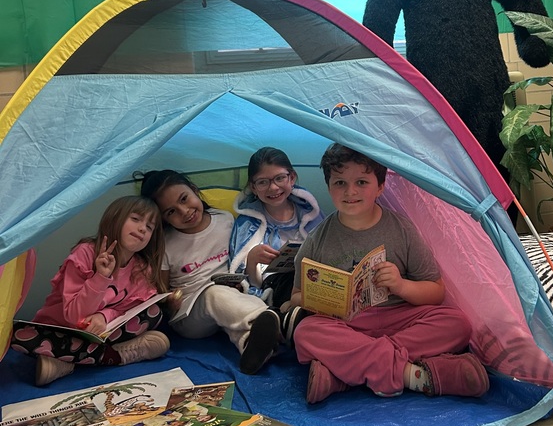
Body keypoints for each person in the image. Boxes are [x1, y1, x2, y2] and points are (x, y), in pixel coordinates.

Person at [288, 144, 490, 403]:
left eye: (361, 181)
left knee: (456, 323)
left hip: (400, 319)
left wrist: (401, 285)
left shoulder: (402, 229)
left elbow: (436, 292)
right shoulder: (317, 238)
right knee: (306, 332)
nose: (350, 191)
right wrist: (315, 298)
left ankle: (343, 376)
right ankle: (413, 375)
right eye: (340, 183)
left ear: (380, 187)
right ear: (329, 188)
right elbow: (295, 295)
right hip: (348, 325)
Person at [12, 196, 170, 387]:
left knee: (154, 313)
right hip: (64, 331)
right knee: (19, 335)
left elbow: (129, 309)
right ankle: (116, 356)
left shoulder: (142, 268)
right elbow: (74, 315)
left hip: (103, 333)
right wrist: (101, 277)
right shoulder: (85, 252)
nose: (143, 228)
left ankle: (66, 362)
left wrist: (104, 316)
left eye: (150, 227)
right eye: (136, 219)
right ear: (115, 218)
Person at [139, 169, 281, 374]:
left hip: (233, 296)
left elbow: (238, 259)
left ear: (195, 191)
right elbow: (160, 290)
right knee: (214, 294)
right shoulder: (166, 243)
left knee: (231, 301)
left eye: (184, 199)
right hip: (190, 315)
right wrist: (169, 302)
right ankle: (264, 320)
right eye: (171, 212)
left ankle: (252, 346)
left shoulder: (224, 220)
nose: (184, 211)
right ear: (163, 219)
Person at [229, 147, 325, 341]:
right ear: (253, 187)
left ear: (292, 177)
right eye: (263, 182)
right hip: (274, 285)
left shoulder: (309, 213)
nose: (273, 188)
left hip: (314, 281)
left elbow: (327, 249)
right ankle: (287, 316)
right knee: (290, 278)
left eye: (280, 178)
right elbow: (241, 281)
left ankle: (292, 317)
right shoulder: (247, 223)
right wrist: (252, 261)